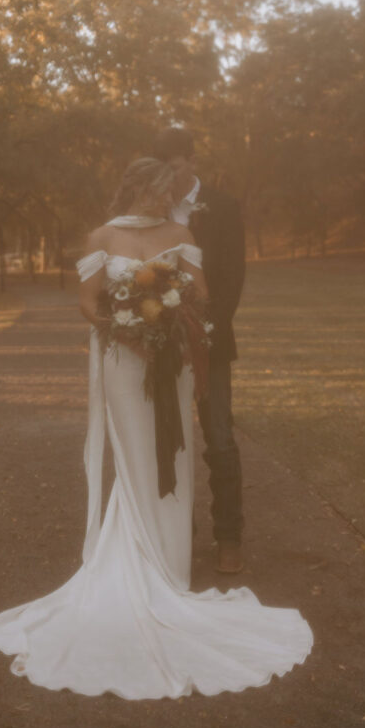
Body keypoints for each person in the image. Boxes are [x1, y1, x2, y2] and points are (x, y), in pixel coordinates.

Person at [0, 158, 312, 699]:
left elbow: (201, 296)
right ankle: (134, 557)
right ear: (136, 188)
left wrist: (172, 318)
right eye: (161, 190)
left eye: (170, 191)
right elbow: (88, 304)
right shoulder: (102, 235)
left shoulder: (181, 234)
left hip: (172, 360)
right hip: (122, 357)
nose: (168, 199)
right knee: (135, 454)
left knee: (173, 453)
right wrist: (126, 325)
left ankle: (169, 567)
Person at [155, 127, 245, 573]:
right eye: (162, 171)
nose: (169, 179)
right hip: (160, 343)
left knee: (219, 438)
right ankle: (179, 535)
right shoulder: (152, 211)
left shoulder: (224, 206)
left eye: (174, 168)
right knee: (171, 439)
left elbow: (231, 278)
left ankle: (229, 537)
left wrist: (204, 330)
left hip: (211, 338)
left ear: (191, 161)